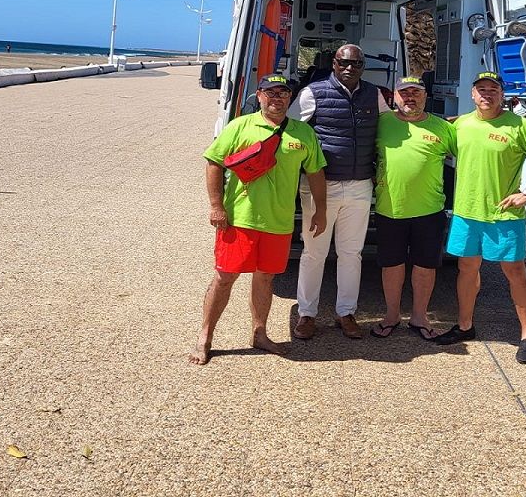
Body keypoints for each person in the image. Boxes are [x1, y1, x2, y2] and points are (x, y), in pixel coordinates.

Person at [189, 75, 327, 365]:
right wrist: (216, 206)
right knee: (225, 277)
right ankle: (205, 337)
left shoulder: (303, 133)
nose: (276, 98)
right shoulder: (240, 126)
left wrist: (321, 210)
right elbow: (214, 162)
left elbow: (315, 172)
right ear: (259, 95)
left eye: (283, 93)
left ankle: (259, 333)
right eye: (270, 92)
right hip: (239, 219)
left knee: (265, 278)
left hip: (278, 222)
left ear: (290, 98)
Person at [436, 72, 526, 364]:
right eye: (481, 89)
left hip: (504, 213)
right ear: (472, 94)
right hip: (467, 212)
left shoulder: (520, 126)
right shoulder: (461, 125)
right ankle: (465, 326)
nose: (487, 94)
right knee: (467, 268)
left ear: (502, 95)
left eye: (493, 89)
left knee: (515, 272)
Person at [290, 43, 390, 340]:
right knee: (314, 253)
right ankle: (307, 314)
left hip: (360, 186)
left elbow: (393, 128)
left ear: (363, 66)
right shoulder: (313, 93)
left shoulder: (375, 95)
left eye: (356, 64)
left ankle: (346, 313)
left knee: (351, 254)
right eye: (343, 63)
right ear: (333, 63)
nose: (349, 68)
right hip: (321, 188)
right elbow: (292, 131)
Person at [371, 76, 456, 341]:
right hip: (390, 209)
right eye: (404, 93)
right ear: (394, 97)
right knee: (392, 264)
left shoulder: (443, 128)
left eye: (416, 93)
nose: (410, 97)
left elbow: (471, 157)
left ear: (425, 96)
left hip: (430, 211)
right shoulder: (381, 123)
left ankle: (420, 317)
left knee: (425, 265)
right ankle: (392, 315)